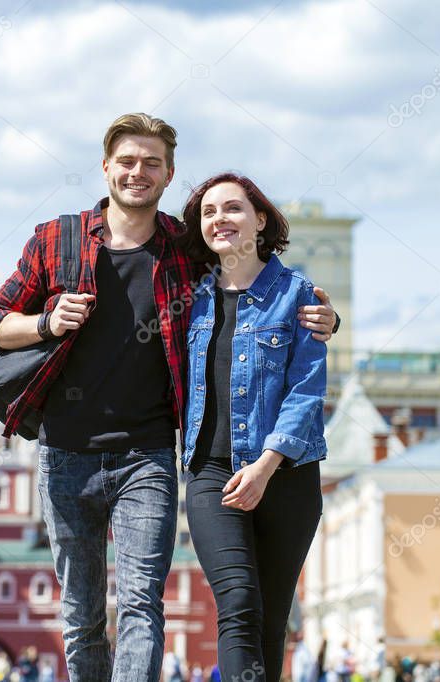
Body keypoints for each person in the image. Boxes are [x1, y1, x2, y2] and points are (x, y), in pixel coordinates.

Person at [0, 113, 338, 682]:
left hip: (148, 454)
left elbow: (253, 283)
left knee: (143, 604)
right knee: (80, 615)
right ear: (105, 168)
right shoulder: (57, 238)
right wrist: (46, 321)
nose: (137, 173)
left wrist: (323, 316)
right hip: (65, 450)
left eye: (152, 163)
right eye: (126, 161)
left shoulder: (183, 247)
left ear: (169, 174)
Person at [180, 173, 328, 680]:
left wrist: (265, 467)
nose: (220, 219)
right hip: (210, 474)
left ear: (259, 220)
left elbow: (307, 389)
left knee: (270, 621)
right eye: (208, 212)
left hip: (287, 476)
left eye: (233, 208)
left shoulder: (297, 293)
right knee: (239, 600)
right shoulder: (187, 298)